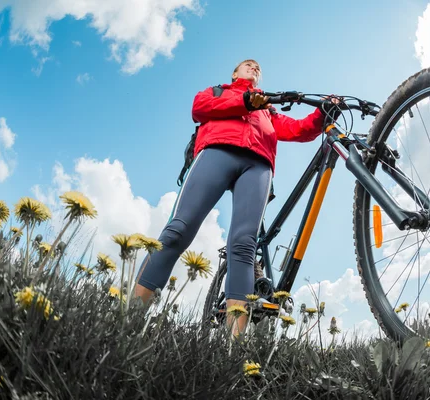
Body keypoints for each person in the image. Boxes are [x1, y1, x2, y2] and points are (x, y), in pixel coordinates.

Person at [133, 59, 339, 335]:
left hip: (258, 164)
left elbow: (296, 129)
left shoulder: (267, 109)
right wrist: (245, 101)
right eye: (248, 65)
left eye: (258, 68)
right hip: (217, 151)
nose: (254, 68)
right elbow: (199, 108)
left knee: (243, 246)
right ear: (234, 73)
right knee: (177, 231)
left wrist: (324, 113)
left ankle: (234, 348)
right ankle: (128, 322)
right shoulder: (218, 91)